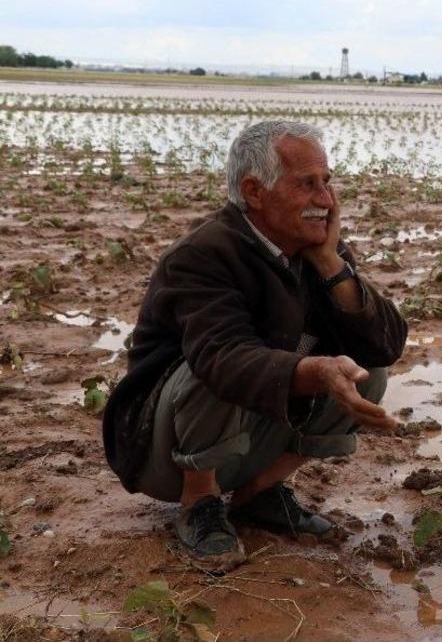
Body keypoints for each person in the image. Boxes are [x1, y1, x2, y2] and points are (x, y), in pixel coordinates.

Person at [103, 120, 407, 571]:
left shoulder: (315, 250)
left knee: (367, 368)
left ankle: (259, 492)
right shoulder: (203, 256)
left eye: (327, 183)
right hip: (160, 450)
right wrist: (319, 371)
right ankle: (199, 503)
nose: (324, 200)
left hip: (247, 441)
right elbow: (225, 360)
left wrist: (330, 262)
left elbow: (385, 344)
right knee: (216, 365)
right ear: (254, 191)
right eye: (306, 185)